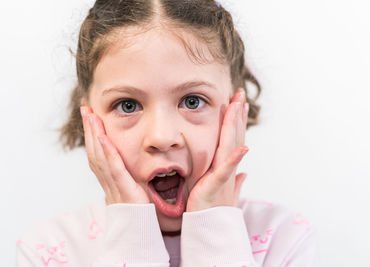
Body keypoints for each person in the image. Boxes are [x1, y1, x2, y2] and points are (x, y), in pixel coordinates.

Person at [16, 0, 317, 266]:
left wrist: (215, 231)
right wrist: (132, 237)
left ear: (237, 112)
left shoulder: (284, 239)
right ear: (89, 121)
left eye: (192, 101)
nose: (161, 137)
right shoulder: (47, 251)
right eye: (128, 104)